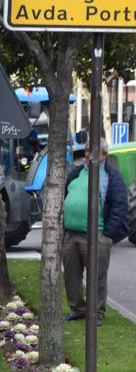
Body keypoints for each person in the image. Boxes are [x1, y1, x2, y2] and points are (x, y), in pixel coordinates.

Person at [62, 137, 128, 326]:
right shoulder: (76, 173)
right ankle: (77, 309)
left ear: (104, 154)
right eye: (86, 149)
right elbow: (66, 195)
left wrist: (108, 235)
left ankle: (97, 313)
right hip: (71, 234)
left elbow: (120, 204)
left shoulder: (111, 175)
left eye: (92, 150)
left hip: (97, 234)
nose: (87, 154)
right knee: (70, 274)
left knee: (96, 276)